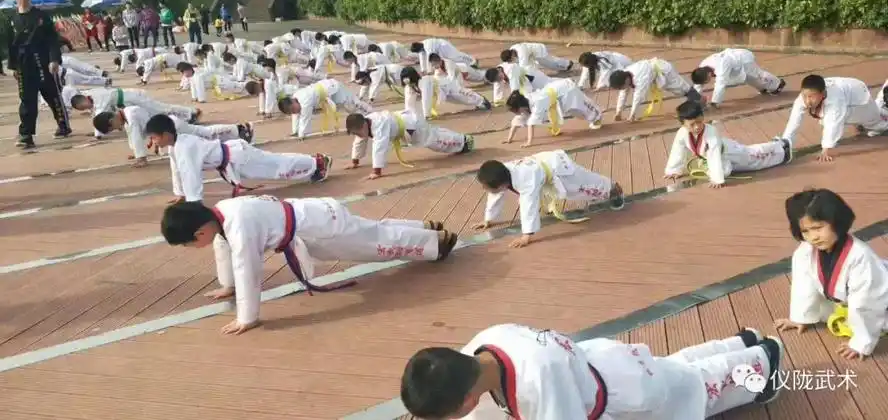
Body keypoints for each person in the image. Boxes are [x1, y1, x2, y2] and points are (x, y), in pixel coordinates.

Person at [159, 195, 459, 334]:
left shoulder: (238, 227)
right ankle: (425, 226)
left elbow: (247, 270)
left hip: (320, 228)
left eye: (189, 243)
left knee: (378, 245)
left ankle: (436, 242)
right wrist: (228, 287)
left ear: (200, 232)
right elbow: (224, 253)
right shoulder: (222, 211)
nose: (192, 248)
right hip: (312, 217)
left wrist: (246, 318)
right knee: (373, 231)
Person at [400, 323, 783, 420]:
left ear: (467, 403)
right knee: (676, 367)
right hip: (599, 363)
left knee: (696, 387)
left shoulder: (539, 379)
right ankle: (741, 340)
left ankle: (765, 360)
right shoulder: (483, 344)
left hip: (622, 392)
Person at [775, 189, 888, 361]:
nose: (813, 237)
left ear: (837, 222)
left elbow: (866, 301)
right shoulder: (806, 251)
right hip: (852, 300)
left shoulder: (860, 256)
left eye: (818, 228)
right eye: (806, 231)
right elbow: (803, 286)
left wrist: (860, 343)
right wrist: (801, 317)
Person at [145, 114, 331, 202]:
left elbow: (191, 176)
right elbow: (178, 170)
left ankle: (317, 163)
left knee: (277, 167)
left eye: (154, 137)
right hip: (233, 158)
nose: (153, 142)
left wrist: (194, 204)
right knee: (275, 163)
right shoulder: (176, 146)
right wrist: (182, 194)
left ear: (166, 134)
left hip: (237, 157)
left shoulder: (184, 147)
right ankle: (313, 162)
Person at [473, 150, 625, 248]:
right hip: (543, 165)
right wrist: (489, 219)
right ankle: (604, 190)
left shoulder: (525, 180)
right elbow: (495, 194)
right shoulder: (501, 172)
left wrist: (527, 235)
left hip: (559, 168)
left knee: (584, 185)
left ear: (502, 184)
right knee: (577, 190)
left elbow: (528, 206)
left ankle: (613, 188)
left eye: (487, 187)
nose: (485, 190)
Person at [664, 101, 792, 188]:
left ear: (703, 116)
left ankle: (781, 148)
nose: (697, 127)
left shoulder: (711, 132)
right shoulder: (682, 133)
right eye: (692, 124)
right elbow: (677, 150)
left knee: (754, 158)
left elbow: (714, 155)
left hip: (730, 152)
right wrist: (674, 169)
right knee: (737, 166)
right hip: (721, 158)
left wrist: (717, 179)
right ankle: (778, 147)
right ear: (683, 124)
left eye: (699, 121)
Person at [5, 0, 71, 148]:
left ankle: (63, 124)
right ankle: (26, 135)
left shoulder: (41, 16)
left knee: (51, 94)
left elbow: (52, 40)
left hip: (42, 60)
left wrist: (54, 59)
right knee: (27, 100)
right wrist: (13, 67)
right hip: (23, 64)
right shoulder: (10, 19)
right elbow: (10, 44)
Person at [93, 108, 254, 168]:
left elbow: (135, 136)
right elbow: (133, 136)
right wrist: (136, 153)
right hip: (165, 128)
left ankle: (238, 129)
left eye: (113, 127)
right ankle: (236, 131)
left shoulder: (131, 115)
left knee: (204, 133)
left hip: (172, 126)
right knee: (203, 134)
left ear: (111, 120)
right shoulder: (127, 117)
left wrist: (141, 158)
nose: (117, 128)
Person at [781, 75, 888, 162]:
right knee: (876, 110)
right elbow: (794, 119)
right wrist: (785, 141)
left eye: (811, 96)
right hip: (849, 97)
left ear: (822, 94)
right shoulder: (804, 96)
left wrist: (826, 149)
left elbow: (833, 124)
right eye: (805, 96)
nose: (807, 101)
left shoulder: (835, 99)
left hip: (861, 100)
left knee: (878, 125)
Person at [345, 111, 474, 179]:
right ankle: (462, 139)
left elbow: (379, 148)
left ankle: (464, 142)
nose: (360, 136)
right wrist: (354, 161)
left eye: (358, 132)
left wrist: (376, 171)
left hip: (412, 126)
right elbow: (359, 142)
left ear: (363, 125)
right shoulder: (365, 123)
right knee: (435, 134)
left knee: (435, 141)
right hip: (406, 124)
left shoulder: (379, 125)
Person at [503, 79, 603, 147]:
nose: (516, 113)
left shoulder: (537, 102)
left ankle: (597, 117)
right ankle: (595, 116)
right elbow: (517, 121)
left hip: (567, 90)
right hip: (557, 95)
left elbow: (531, 124)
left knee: (581, 107)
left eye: (516, 111)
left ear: (520, 107)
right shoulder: (526, 102)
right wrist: (509, 139)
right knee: (576, 111)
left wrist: (529, 142)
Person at [70, 87, 199, 138]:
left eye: (82, 107)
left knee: (162, 109)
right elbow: (97, 115)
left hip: (134, 97)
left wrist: (97, 134)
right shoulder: (92, 98)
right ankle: (185, 117)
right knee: (157, 113)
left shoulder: (97, 96)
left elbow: (100, 114)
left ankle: (191, 112)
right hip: (128, 102)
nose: (85, 109)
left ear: (83, 100)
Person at [609, 58, 702, 123]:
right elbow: (623, 94)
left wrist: (632, 115)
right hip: (656, 75)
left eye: (621, 87)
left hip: (665, 71)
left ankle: (700, 100)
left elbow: (638, 97)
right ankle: (696, 100)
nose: (622, 89)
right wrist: (618, 112)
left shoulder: (640, 77)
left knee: (682, 88)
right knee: (680, 90)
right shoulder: (625, 75)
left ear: (626, 81)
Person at [278, 78, 372, 138]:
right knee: (351, 106)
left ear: (292, 102)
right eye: (291, 112)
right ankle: (367, 114)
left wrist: (301, 135)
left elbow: (304, 118)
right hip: (328, 92)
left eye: (293, 110)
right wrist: (295, 131)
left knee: (352, 105)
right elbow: (297, 116)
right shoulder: (296, 97)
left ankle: (370, 113)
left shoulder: (305, 100)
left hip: (334, 88)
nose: (295, 112)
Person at [691, 48, 785, 108]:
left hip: (743, 59)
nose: (707, 83)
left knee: (757, 75)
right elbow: (698, 85)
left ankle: (778, 84)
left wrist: (715, 103)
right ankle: (763, 88)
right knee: (747, 78)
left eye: (706, 81)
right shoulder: (702, 67)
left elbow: (720, 85)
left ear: (708, 75)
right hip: (734, 64)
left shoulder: (721, 66)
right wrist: (694, 100)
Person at [401, 66, 491, 120]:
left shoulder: (425, 82)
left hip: (447, 86)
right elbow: (409, 102)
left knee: (463, 98)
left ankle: (481, 100)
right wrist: (408, 116)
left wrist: (426, 115)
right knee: (458, 101)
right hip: (440, 93)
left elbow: (426, 99)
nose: (406, 81)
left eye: (407, 78)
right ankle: (478, 101)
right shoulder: (409, 87)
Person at [177, 62, 249, 103]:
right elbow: (193, 87)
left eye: (182, 73)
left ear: (188, 70)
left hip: (221, 82)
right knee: (238, 90)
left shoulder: (198, 76)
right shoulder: (192, 76)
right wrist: (194, 97)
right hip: (217, 84)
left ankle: (253, 86)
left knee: (239, 87)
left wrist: (201, 99)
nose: (183, 75)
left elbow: (200, 88)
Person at [485, 63, 553, 106]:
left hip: (534, 77)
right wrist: (498, 102)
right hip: (525, 82)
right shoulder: (496, 74)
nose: (500, 80)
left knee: (551, 85)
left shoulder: (511, 70)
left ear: (499, 70)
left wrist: (510, 101)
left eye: (499, 78)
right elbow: (498, 92)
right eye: (497, 80)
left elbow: (515, 90)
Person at [410, 38, 477, 74]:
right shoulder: (421, 47)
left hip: (444, 47)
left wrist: (429, 72)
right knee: (451, 61)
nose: (419, 52)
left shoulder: (427, 46)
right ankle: (469, 64)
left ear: (419, 48)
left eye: (418, 51)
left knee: (456, 56)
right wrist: (423, 70)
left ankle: (472, 61)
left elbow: (428, 59)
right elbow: (422, 58)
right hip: (440, 51)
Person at [501, 43, 573, 72]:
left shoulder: (522, 52)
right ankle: (564, 68)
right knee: (548, 65)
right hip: (532, 55)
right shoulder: (512, 49)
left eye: (510, 59)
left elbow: (522, 67)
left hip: (539, 51)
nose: (511, 61)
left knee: (551, 61)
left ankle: (568, 63)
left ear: (512, 55)